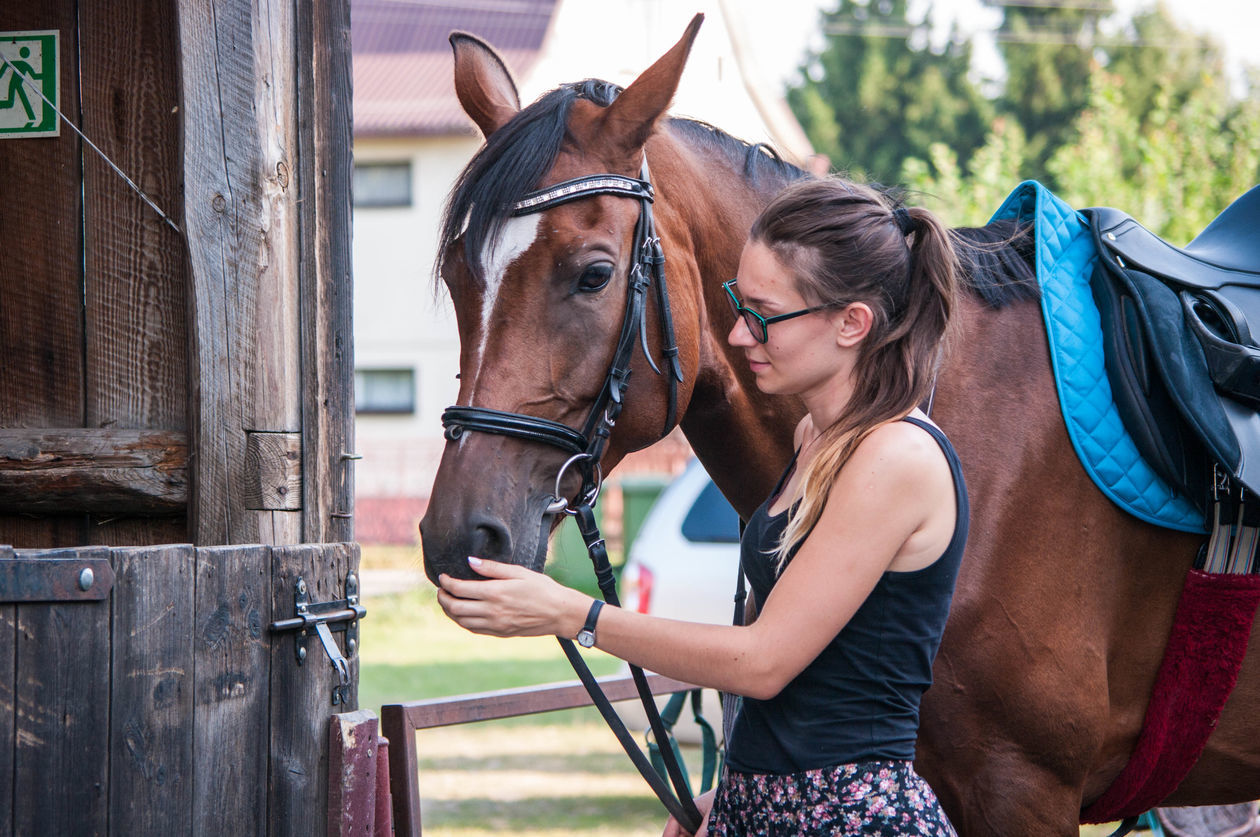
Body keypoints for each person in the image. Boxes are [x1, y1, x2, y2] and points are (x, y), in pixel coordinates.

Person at [437, 176, 967, 836]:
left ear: (851, 323)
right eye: (737, 304)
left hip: (850, 816)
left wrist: (573, 613)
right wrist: (737, 789)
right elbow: (786, 682)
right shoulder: (815, 439)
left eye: (765, 315)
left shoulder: (896, 458)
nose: (741, 335)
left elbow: (764, 660)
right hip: (775, 808)